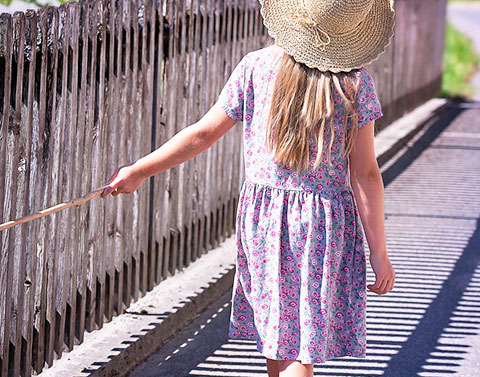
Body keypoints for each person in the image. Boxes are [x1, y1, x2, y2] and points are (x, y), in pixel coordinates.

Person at [101, 0, 396, 375]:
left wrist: (140, 170)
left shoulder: (256, 67)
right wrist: (379, 252)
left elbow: (203, 134)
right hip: (324, 225)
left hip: (266, 223)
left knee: (281, 342)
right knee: (302, 346)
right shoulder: (354, 84)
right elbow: (365, 174)